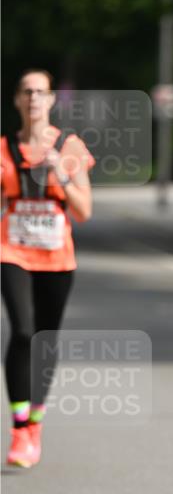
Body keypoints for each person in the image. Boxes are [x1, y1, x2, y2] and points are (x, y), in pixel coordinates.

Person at [1, 69, 94, 467]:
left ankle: (35, 420)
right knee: (22, 331)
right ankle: (19, 428)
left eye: (41, 92)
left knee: (44, 338)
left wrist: (59, 171)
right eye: (27, 92)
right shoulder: (4, 148)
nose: (34, 99)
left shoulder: (70, 146)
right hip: (13, 251)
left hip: (57, 257)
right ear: (17, 100)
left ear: (52, 100)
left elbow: (84, 211)